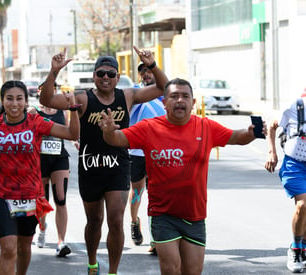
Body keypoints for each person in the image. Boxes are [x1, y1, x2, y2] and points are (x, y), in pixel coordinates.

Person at [98, 78, 267, 275]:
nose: (180, 100)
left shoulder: (205, 127)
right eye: (174, 96)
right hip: (163, 214)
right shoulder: (149, 128)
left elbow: (236, 137)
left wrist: (251, 133)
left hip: (194, 216)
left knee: (192, 272)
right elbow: (117, 139)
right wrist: (108, 132)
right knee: (171, 269)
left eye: (185, 96)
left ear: (193, 103)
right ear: (164, 102)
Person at [40, 47, 168, 275]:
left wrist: (152, 65)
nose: (106, 78)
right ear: (94, 76)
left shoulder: (127, 96)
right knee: (95, 220)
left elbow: (163, 88)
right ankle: (91, 262)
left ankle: (113, 271)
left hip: (118, 165)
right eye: (101, 73)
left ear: (118, 77)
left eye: (111, 74)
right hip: (90, 167)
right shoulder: (82, 98)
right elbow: (46, 98)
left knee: (116, 219)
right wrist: (54, 71)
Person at [0, 80, 79, 275]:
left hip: (30, 195)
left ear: (26, 102)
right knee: (9, 248)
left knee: (24, 246)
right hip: (0, 193)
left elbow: (71, 134)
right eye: (9, 99)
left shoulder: (36, 123)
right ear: (2, 100)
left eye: (19, 99)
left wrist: (73, 109)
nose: (14, 104)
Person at [29, 81, 72, 257]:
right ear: (40, 92)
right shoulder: (33, 112)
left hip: (59, 158)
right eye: (46, 90)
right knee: (42, 200)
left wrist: (75, 140)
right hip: (40, 160)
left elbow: (69, 131)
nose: (50, 92)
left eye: (53, 89)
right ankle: (42, 227)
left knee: (60, 199)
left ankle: (62, 242)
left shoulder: (62, 111)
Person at [265, 94, 306, 273]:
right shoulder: (295, 106)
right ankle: (296, 249)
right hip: (294, 165)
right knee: (303, 205)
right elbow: (271, 127)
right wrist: (272, 153)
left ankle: (303, 247)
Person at [129, 63, 166, 255]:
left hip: (158, 154)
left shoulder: (165, 95)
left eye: (150, 71)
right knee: (136, 192)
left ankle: (155, 238)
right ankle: (134, 222)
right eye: (142, 72)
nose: (146, 74)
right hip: (136, 153)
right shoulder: (135, 93)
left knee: (156, 195)